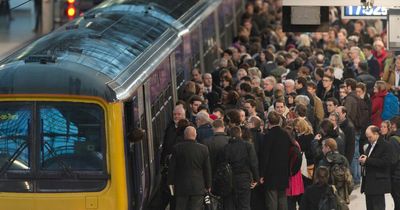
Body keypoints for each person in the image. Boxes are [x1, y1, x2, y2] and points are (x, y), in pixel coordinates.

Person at [168, 126, 212, 210]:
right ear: (195, 135)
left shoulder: (177, 148)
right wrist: (208, 185)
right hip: (198, 187)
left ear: (184, 135)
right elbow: (207, 169)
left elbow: (172, 168)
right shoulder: (203, 149)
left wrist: (170, 183)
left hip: (181, 186)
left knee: (180, 207)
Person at [260, 111, 291, 210]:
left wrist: (262, 174)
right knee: (282, 198)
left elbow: (265, 157)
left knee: (272, 199)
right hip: (284, 171)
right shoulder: (286, 134)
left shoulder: (268, 136)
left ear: (268, 121)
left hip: (271, 172)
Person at [224, 126, 260, 210]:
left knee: (230, 204)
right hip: (244, 178)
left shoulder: (226, 148)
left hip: (230, 179)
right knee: (244, 204)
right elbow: (253, 163)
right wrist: (256, 179)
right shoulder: (248, 146)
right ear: (240, 134)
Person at [359, 125, 392, 210]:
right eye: (367, 137)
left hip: (378, 184)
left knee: (378, 207)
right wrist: (362, 161)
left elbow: (385, 163)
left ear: (376, 134)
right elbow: (368, 159)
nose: (368, 139)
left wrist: (367, 160)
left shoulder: (386, 145)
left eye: (370, 137)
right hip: (368, 183)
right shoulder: (370, 144)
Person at [319, 138, 352, 204]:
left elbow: (320, 180)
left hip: (327, 196)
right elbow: (349, 179)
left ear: (328, 148)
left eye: (323, 147)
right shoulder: (343, 159)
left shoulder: (323, 162)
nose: (322, 150)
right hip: (342, 196)